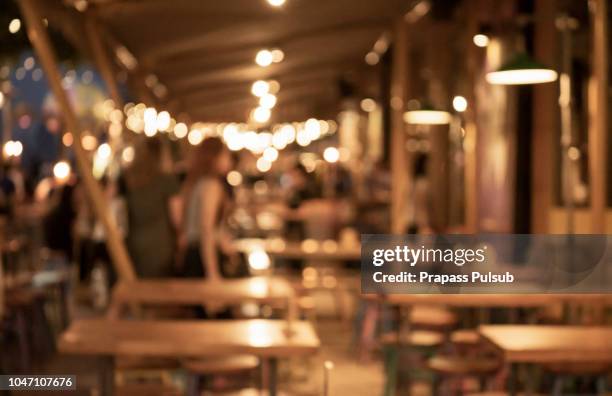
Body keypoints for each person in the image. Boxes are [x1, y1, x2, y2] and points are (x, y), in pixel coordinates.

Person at [121, 137, 181, 278]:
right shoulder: (166, 180)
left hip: (133, 242)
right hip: (161, 245)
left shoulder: (127, 178)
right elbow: (176, 218)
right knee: (159, 290)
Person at [181, 137, 236, 280]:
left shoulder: (196, 182)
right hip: (203, 257)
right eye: (226, 155)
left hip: (194, 253)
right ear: (215, 157)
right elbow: (206, 230)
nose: (229, 160)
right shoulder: (211, 185)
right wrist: (212, 273)